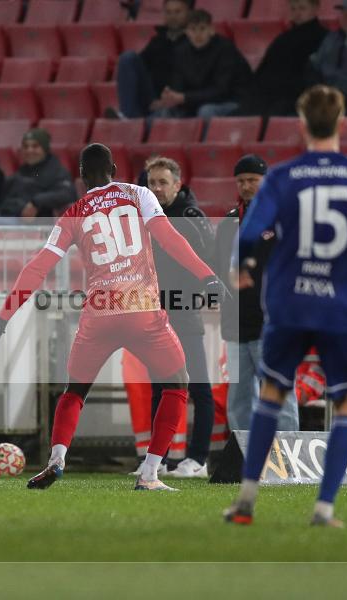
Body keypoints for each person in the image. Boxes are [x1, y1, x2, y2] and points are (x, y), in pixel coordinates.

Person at [0, 143, 224, 492]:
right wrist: (207, 275)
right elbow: (169, 238)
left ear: (80, 175)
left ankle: (56, 458)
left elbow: (38, 268)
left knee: (74, 392)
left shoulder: (73, 212)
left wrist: (2, 319)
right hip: (141, 311)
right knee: (177, 383)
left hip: (99, 314)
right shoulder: (138, 194)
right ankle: (150, 473)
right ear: (115, 169)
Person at [224, 85, 347, 527]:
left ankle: (245, 499)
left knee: (271, 393)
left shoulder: (282, 176)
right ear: (342, 124)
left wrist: (245, 266)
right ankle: (323, 507)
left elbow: (248, 234)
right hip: (341, 306)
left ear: (301, 125)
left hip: (288, 303)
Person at [215, 155, 300, 432]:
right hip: (236, 324)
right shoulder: (229, 221)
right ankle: (244, 458)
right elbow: (218, 268)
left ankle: (289, 460)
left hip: (272, 322)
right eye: (240, 181)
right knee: (239, 399)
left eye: (252, 180)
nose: (246, 186)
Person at [144, 156, 216, 478]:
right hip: (154, 312)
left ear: (178, 184)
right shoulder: (146, 218)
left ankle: (198, 459)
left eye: (162, 182)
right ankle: (156, 460)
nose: (156, 188)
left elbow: (209, 258)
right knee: (160, 389)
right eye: (151, 183)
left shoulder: (190, 216)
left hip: (184, 312)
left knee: (198, 386)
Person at [156, 9, 251, 119]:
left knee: (206, 111)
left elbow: (221, 91)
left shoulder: (225, 49)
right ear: (186, 32)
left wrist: (184, 97)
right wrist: (170, 96)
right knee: (167, 110)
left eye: (202, 29)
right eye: (193, 29)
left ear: (211, 30)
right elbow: (178, 87)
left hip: (233, 101)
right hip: (196, 102)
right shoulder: (181, 52)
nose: (197, 34)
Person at [239, 0, 328, 117]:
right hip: (268, 96)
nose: (297, 13)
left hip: (295, 98)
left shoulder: (324, 38)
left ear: (316, 8)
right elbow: (263, 71)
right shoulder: (283, 38)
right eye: (293, 9)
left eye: (302, 8)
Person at [112, 0, 193, 118]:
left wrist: (169, 100)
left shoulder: (196, 42)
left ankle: (134, 123)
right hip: (153, 99)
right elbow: (139, 68)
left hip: (178, 102)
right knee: (128, 58)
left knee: (164, 114)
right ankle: (127, 116)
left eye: (177, 12)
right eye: (168, 12)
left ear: (189, 14)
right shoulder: (158, 40)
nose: (173, 16)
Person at [0, 128, 76, 220]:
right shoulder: (21, 172)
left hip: (42, 226)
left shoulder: (57, 171)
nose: (29, 150)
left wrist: (36, 202)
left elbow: (67, 194)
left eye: (35, 146)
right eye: (26, 147)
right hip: (12, 221)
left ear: (45, 149)